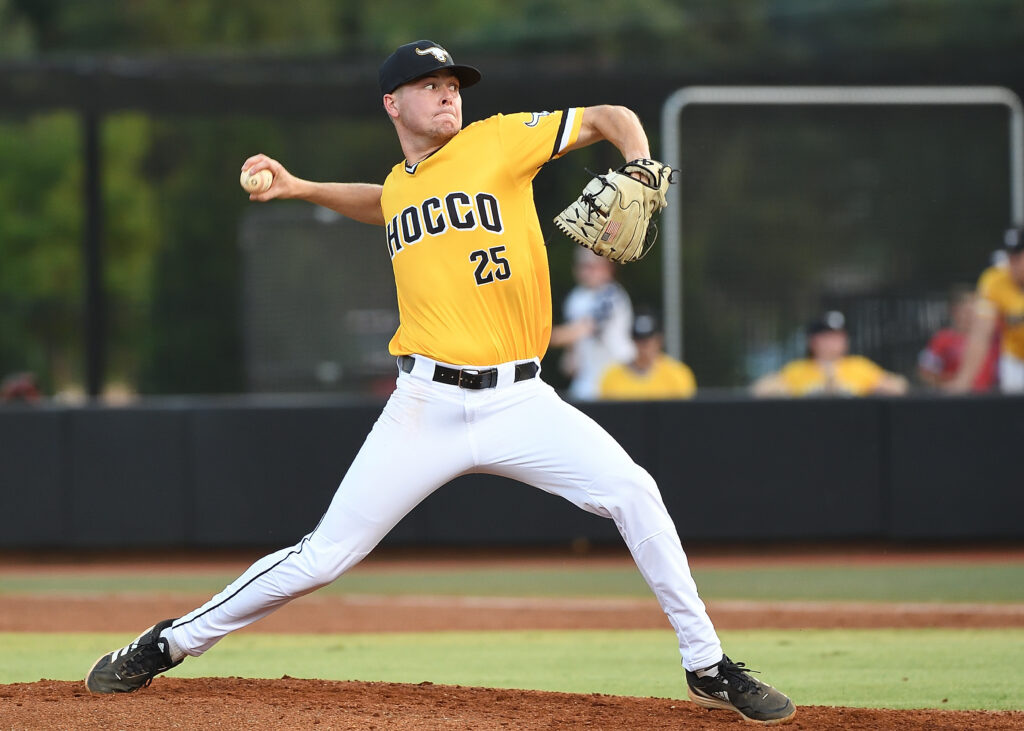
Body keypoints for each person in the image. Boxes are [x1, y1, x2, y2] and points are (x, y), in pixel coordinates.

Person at [85, 40, 795, 725]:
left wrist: (639, 164)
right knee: (323, 556)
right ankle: (165, 643)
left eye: (454, 85)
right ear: (392, 103)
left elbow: (611, 116)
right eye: (432, 86)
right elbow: (384, 201)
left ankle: (706, 663)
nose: (449, 93)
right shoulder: (404, 184)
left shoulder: (498, 142)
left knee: (634, 490)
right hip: (425, 405)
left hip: (522, 399)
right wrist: (301, 187)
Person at [751, 311, 908, 397]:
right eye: (828, 337)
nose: (834, 342)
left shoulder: (859, 366)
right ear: (813, 341)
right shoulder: (798, 370)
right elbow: (760, 389)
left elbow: (899, 386)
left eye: (839, 337)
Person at [549, 248, 635, 401]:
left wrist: (541, 335)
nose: (587, 271)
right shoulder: (575, 297)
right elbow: (573, 345)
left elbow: (583, 329)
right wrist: (570, 356)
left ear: (608, 268)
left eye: (593, 266)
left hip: (617, 376)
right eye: (582, 266)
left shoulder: (611, 294)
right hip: (587, 380)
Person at [946, 227, 1024, 393]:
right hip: (1016, 360)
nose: (1013, 263)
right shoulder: (994, 280)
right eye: (1011, 256)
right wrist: (963, 381)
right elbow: (980, 334)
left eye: (1019, 256)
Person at [599, 309, 696, 400]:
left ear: (659, 341)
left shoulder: (678, 374)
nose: (642, 348)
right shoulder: (611, 376)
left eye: (646, 342)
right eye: (638, 341)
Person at [918, 286, 999, 392]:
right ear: (954, 311)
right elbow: (925, 371)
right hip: (957, 398)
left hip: (989, 397)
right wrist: (947, 383)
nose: (970, 316)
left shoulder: (993, 338)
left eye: (973, 312)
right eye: (966, 311)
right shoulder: (942, 338)